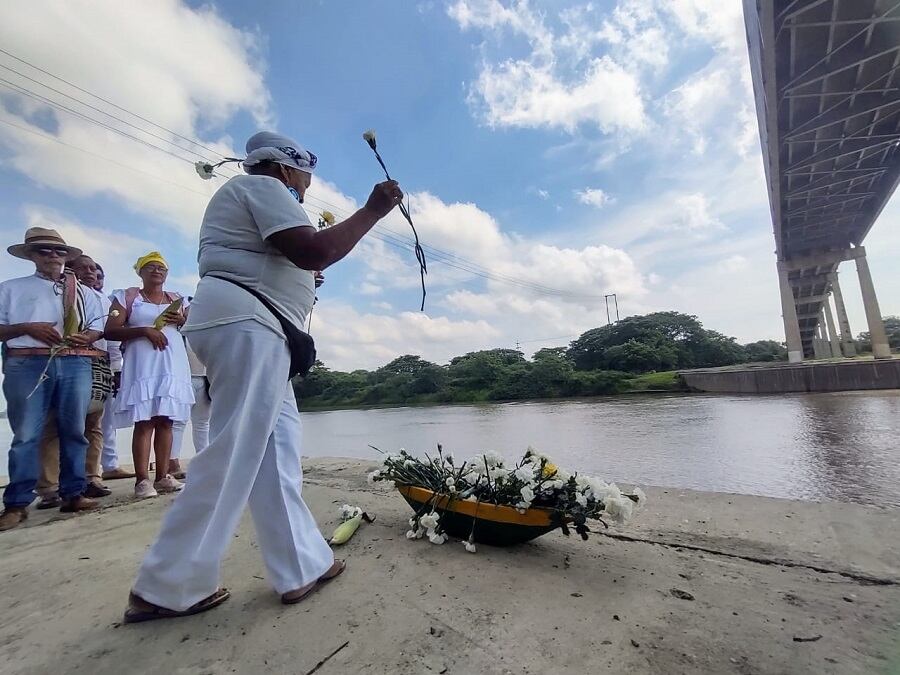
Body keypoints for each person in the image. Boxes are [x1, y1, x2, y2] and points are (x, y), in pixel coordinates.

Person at [123, 131, 403, 622]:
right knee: (233, 453)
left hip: (255, 328)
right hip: (247, 327)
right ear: (286, 168)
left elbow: (290, 259)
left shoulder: (250, 195)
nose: (305, 188)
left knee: (277, 452)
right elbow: (312, 251)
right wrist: (373, 209)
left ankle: (300, 567)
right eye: (305, 178)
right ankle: (166, 586)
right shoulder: (263, 187)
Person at [0, 227, 105, 531]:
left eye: (58, 251)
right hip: (27, 362)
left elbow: (98, 327)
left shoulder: (84, 292)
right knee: (25, 435)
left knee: (74, 430)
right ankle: (17, 503)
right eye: (44, 251)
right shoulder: (10, 288)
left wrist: (87, 335)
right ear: (31, 255)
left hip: (75, 362)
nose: (52, 256)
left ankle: (73, 493)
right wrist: (27, 328)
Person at [105, 252, 193, 499]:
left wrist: (182, 319)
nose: (157, 271)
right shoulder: (128, 297)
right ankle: (142, 480)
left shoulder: (176, 298)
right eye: (151, 267)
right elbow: (110, 331)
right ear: (140, 272)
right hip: (143, 363)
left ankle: (163, 476)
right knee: (144, 421)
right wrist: (144, 330)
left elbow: (189, 327)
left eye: (161, 268)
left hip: (172, 364)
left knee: (166, 420)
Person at [35, 255, 114, 507]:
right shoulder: (56, 294)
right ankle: (49, 487)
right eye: (85, 268)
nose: (91, 273)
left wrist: (116, 366)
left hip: (98, 361)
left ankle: (90, 477)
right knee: (52, 423)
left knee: (93, 423)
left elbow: (108, 336)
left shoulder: (103, 299)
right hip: (59, 359)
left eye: (95, 269)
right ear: (70, 270)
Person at [94, 264, 134, 480]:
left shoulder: (108, 303)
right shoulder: (70, 299)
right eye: (92, 274)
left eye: (100, 275)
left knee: (106, 420)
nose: (96, 279)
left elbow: (113, 342)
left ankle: (109, 465)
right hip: (76, 362)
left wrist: (117, 370)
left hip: (104, 365)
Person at [169, 328, 210, 479]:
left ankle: (204, 460)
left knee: (202, 422)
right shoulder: (178, 334)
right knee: (179, 421)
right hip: (184, 378)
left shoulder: (205, 331)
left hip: (205, 378)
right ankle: (172, 462)